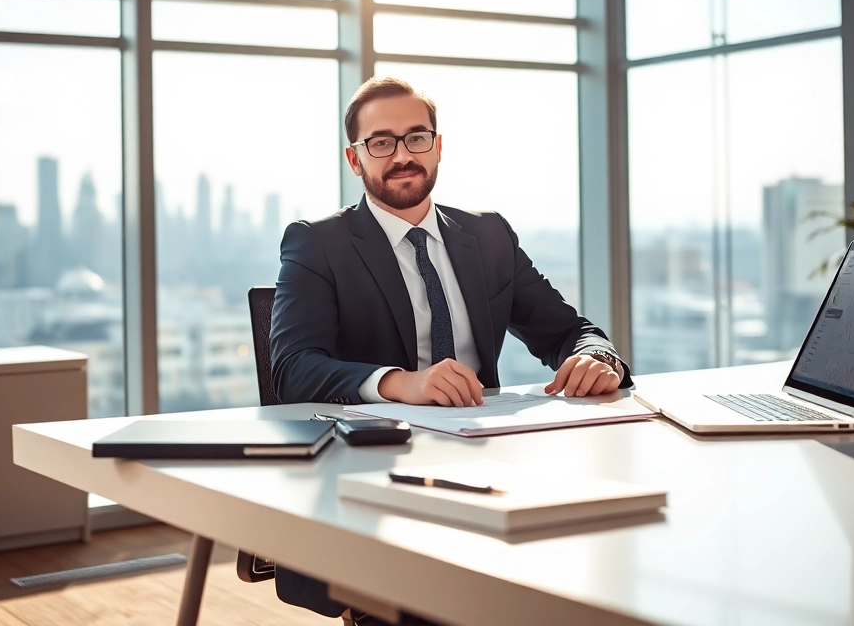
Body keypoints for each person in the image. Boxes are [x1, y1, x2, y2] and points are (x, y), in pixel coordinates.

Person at [268, 77, 631, 623]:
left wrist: (595, 357)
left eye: (416, 137)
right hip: (376, 479)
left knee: (594, 573)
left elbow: (567, 330)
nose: (402, 155)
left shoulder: (489, 236)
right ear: (355, 158)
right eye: (381, 142)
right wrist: (402, 383)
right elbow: (293, 368)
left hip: (489, 464)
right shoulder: (318, 243)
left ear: (438, 146)